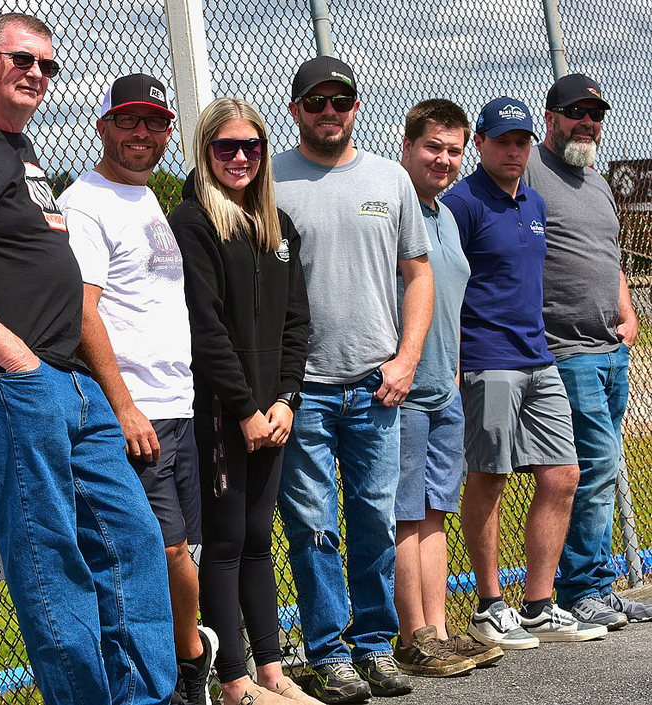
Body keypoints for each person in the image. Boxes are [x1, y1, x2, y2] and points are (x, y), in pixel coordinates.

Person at [0, 14, 175, 704]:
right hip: (12, 382)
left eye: (47, 66)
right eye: (22, 59)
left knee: (135, 541)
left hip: (72, 383)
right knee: (51, 560)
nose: (36, 73)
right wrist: (18, 360)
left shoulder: (21, 152)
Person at [272, 56, 435, 703]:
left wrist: (406, 358)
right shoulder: (269, 180)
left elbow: (418, 274)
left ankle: (374, 645)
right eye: (316, 102)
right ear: (296, 110)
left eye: (340, 101)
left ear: (355, 108)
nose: (329, 112)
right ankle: (328, 653)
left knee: (373, 519)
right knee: (313, 525)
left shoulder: (389, 179)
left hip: (376, 385)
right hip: (302, 390)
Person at [57, 73, 217, 705]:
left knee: (184, 549)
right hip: (136, 411)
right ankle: (177, 671)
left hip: (177, 403)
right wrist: (123, 407)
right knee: (158, 551)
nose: (141, 133)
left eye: (154, 122)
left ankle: (186, 662)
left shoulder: (149, 197)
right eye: (128, 120)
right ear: (103, 127)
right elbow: (83, 312)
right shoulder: (85, 203)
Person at [441, 97, 607, 649]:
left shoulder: (533, 201)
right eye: (502, 141)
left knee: (563, 475)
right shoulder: (461, 204)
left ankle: (538, 606)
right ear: (480, 144)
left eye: (522, 142)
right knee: (490, 477)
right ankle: (490, 606)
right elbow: (444, 285)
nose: (513, 151)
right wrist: (456, 359)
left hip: (539, 357)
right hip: (488, 360)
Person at [169, 97, 313, 705]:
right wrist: (245, 409)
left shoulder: (278, 227)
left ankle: (273, 674)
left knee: (258, 539)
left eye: (251, 146)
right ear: (205, 152)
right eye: (225, 147)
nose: (239, 158)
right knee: (225, 544)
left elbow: (296, 324)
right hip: (221, 413)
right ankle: (233, 681)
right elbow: (205, 329)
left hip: (271, 413)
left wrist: (284, 400)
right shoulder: (193, 223)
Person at [524, 73, 652, 626]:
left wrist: (628, 311)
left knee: (604, 466)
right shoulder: (529, 169)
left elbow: (609, 256)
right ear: (550, 117)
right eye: (576, 112)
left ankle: (597, 583)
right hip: (565, 348)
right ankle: (581, 590)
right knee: (592, 466)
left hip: (610, 349)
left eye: (595, 114)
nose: (587, 122)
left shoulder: (597, 182)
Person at [392, 99, 502, 677]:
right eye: (433, 147)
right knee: (404, 515)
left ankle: (436, 631)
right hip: (403, 388)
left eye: (454, 151)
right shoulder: (393, 208)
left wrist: (453, 370)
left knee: (435, 510)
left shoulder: (447, 216)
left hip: (444, 387)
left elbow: (450, 299)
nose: (444, 159)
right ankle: (411, 636)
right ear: (408, 146)